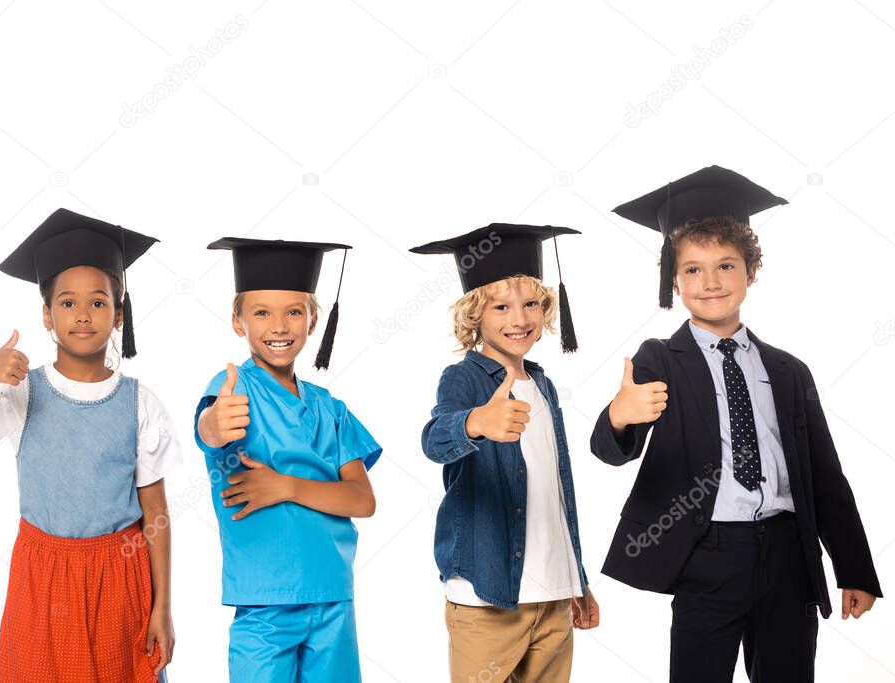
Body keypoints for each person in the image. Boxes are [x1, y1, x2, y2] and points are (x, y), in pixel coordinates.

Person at [592, 165, 882, 682]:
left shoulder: (789, 370)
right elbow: (614, 449)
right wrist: (619, 417)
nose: (711, 283)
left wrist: (855, 568)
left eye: (726, 266)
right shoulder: (660, 358)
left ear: (751, 272)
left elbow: (826, 475)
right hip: (708, 556)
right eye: (693, 270)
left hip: (789, 554)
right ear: (673, 279)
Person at [0, 208, 181, 681]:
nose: (83, 314)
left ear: (119, 313)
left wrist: (162, 608)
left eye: (98, 302)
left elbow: (157, 516)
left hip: (121, 583)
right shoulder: (21, 393)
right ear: (46, 314)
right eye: (67, 303)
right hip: (42, 584)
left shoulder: (140, 404)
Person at [412, 223, 597, 683]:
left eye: (531, 303)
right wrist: (475, 423)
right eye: (501, 306)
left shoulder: (544, 385)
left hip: (553, 595)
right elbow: (435, 439)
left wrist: (578, 580)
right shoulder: (464, 380)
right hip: (487, 596)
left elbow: (559, 491)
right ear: (475, 314)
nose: (519, 319)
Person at [194, 237, 381, 682]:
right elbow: (209, 428)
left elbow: (363, 500)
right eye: (261, 312)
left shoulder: (330, 408)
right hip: (264, 602)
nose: (279, 325)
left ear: (313, 319)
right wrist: (214, 424)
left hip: (333, 597)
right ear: (238, 322)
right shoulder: (233, 387)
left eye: (293, 311)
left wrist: (286, 486)